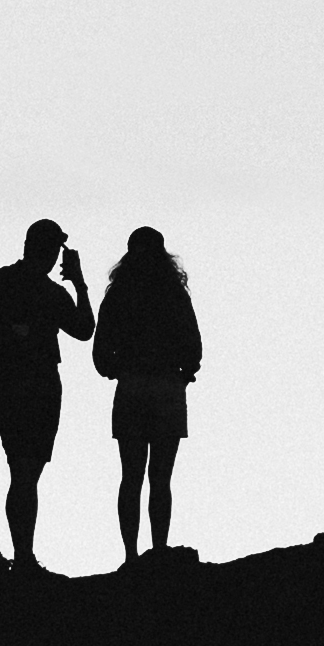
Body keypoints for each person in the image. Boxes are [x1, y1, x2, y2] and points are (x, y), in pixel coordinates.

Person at [0, 219, 94, 569]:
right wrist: (80, 283)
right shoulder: (47, 292)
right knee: (26, 473)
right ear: (50, 250)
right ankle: (24, 558)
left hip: (14, 385)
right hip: (35, 387)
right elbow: (85, 329)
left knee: (23, 472)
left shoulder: (1, 281)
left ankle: (24, 556)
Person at [89, 227, 200, 563]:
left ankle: (131, 556)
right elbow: (193, 347)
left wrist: (116, 369)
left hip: (132, 388)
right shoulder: (175, 294)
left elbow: (99, 353)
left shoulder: (118, 295)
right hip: (167, 388)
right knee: (161, 478)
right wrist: (183, 372)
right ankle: (159, 549)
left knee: (131, 477)